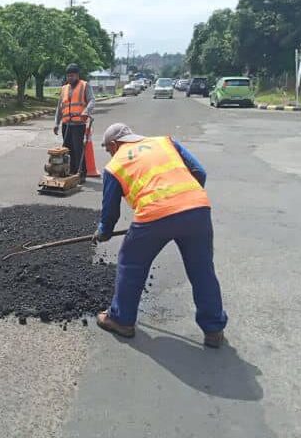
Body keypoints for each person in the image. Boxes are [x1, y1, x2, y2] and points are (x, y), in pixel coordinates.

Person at [92, 123, 227, 348]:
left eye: (108, 149)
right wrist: (184, 203)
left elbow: (110, 212)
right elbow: (199, 172)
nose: (109, 153)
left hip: (154, 216)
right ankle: (214, 329)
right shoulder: (165, 142)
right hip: (197, 209)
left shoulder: (115, 165)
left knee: (130, 264)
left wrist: (103, 232)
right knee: (202, 269)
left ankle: (121, 319)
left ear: (115, 144)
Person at [53, 63, 95, 182]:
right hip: (66, 124)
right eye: (68, 76)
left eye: (72, 76)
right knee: (67, 149)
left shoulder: (85, 85)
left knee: (78, 149)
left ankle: (81, 173)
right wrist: (56, 123)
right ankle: (70, 171)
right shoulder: (64, 88)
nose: (69, 78)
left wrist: (86, 111)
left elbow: (92, 100)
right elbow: (59, 107)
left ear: (77, 75)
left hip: (78, 124)